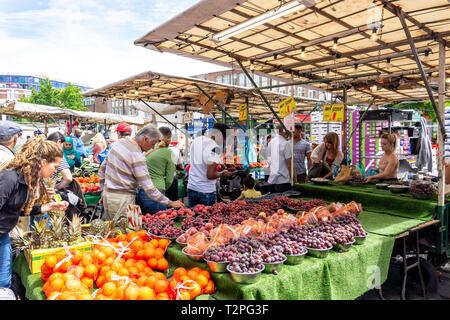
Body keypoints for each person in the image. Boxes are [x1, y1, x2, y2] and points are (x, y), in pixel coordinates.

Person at [0, 136, 69, 289]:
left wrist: (50, 206)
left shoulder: (25, 178)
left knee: (4, 281)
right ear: (43, 162)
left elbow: (17, 209)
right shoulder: (10, 177)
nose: (55, 170)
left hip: (3, 234)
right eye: (55, 166)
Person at [99, 124, 184, 222]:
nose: (152, 148)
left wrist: (103, 189)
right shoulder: (138, 156)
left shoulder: (119, 143)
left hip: (108, 196)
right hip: (123, 200)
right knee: (124, 233)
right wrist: (169, 203)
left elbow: (102, 168)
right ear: (145, 139)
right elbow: (149, 189)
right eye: (153, 144)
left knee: (112, 233)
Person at [187, 123, 230, 207]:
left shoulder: (197, 140)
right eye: (223, 139)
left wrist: (218, 162)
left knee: (194, 218)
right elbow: (210, 175)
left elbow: (201, 160)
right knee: (207, 219)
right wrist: (222, 173)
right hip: (206, 191)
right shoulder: (215, 148)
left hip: (192, 187)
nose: (223, 142)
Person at [136, 127, 176, 214]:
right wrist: (162, 187)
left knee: (142, 223)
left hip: (138, 190)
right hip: (155, 192)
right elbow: (169, 180)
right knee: (157, 223)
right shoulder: (169, 152)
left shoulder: (146, 147)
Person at [267, 125, 293, 193]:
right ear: (283, 132)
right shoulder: (285, 143)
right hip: (283, 181)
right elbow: (289, 164)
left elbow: (269, 160)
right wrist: (291, 177)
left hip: (272, 180)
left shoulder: (270, 143)